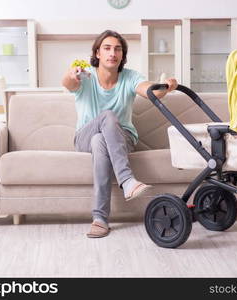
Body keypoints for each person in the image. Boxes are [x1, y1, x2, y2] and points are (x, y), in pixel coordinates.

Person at [62, 30, 178, 238]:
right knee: (105, 118)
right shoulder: (86, 75)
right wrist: (71, 74)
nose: (112, 53)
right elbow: (68, 83)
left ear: (123, 56)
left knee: (100, 140)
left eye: (118, 49)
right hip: (84, 137)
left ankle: (99, 219)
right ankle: (127, 181)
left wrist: (165, 87)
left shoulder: (131, 77)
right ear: (97, 53)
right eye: (107, 48)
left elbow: (150, 91)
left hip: (122, 137)